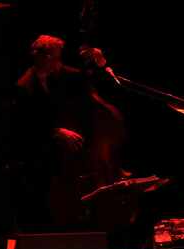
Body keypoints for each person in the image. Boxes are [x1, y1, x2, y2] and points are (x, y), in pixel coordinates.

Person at [12, 34, 123, 231]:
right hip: (45, 163)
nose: (59, 62)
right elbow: (23, 128)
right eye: (56, 57)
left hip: (74, 157)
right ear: (43, 58)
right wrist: (55, 131)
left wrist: (99, 63)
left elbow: (88, 80)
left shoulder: (61, 75)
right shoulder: (25, 86)